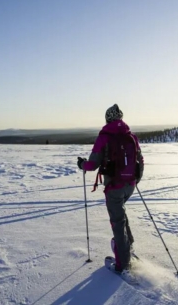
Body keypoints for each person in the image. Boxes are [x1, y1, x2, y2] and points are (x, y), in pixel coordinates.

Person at [77, 104, 144, 273]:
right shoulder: (132, 136)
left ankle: (123, 264)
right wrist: (135, 180)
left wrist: (82, 164)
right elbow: (140, 161)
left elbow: (92, 164)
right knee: (120, 215)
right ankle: (129, 249)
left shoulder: (104, 137)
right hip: (130, 185)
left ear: (107, 118)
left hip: (114, 186)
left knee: (117, 221)